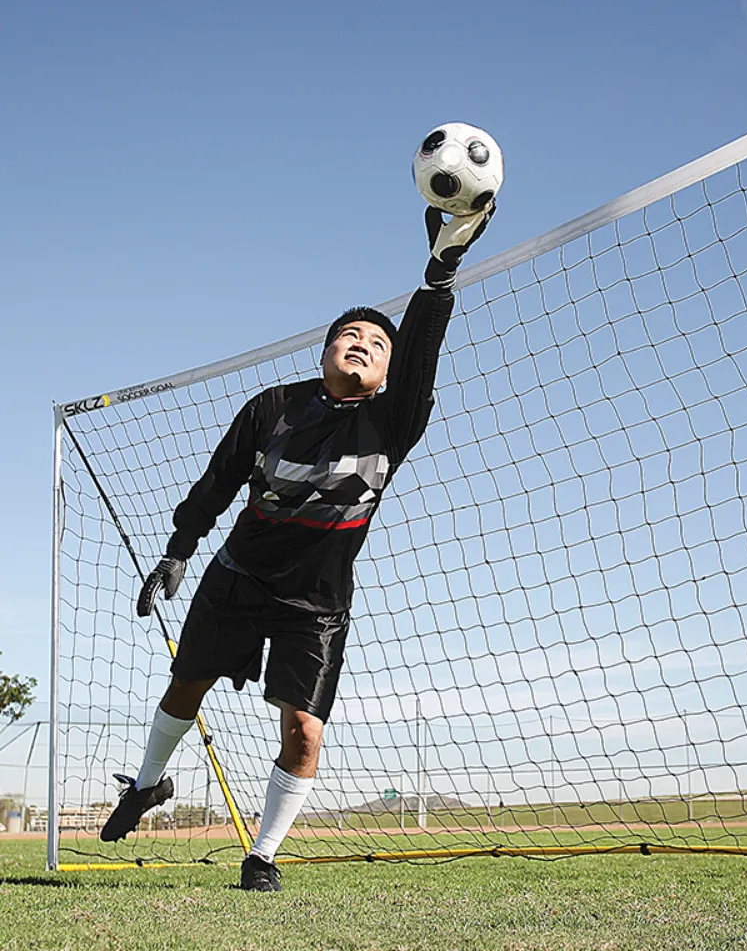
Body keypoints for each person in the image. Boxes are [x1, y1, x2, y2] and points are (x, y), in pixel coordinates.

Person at [99, 205, 493, 891]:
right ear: (324, 352)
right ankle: (146, 784)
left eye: (376, 340)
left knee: (305, 731)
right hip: (235, 579)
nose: (361, 341)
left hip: (315, 605)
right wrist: (180, 547)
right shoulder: (273, 405)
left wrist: (442, 272)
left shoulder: (394, 420)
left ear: (388, 371)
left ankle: (263, 857)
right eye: (348, 334)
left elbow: (423, 352)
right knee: (185, 689)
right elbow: (218, 481)